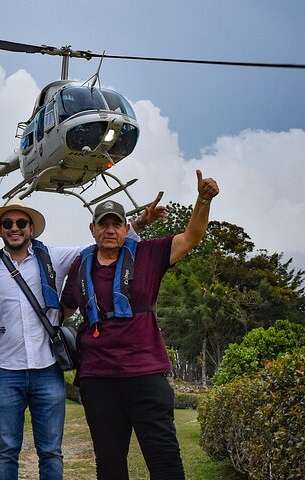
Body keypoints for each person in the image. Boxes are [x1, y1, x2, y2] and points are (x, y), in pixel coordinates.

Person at [0, 195, 163, 480]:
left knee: (51, 451)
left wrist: (137, 224)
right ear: (1, 229)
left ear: (31, 227)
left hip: (47, 368)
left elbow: (103, 244)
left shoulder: (53, 256)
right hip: (5, 368)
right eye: (7, 223)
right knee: (6, 450)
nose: (14, 227)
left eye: (20, 222)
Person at [60, 170, 219, 480]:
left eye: (115, 224)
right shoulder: (80, 264)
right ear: (92, 229)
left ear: (124, 229)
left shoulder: (149, 254)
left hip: (145, 373)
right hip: (97, 377)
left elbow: (191, 237)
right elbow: (63, 308)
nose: (109, 230)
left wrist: (203, 200)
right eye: (102, 224)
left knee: (164, 460)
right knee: (109, 463)